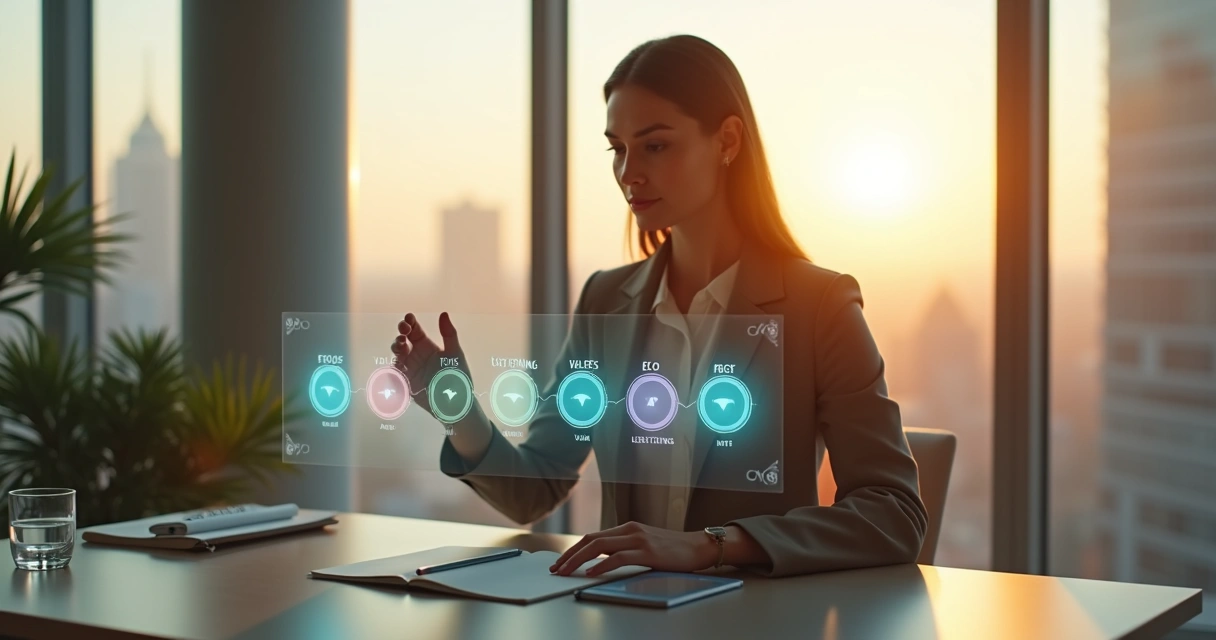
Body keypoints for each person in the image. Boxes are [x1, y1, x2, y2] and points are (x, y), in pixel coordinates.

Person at [391, 35, 926, 578]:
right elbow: (536, 487)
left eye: (655, 146)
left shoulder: (819, 307)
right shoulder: (605, 302)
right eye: (617, 148)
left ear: (728, 140)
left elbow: (894, 513)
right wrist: (455, 408)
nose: (628, 173)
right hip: (624, 616)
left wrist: (709, 546)